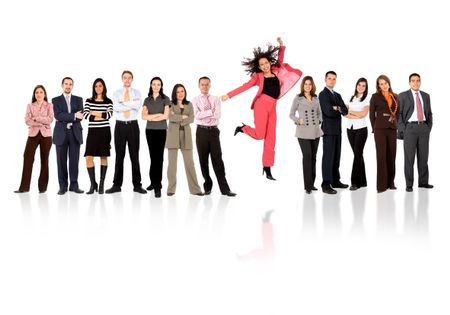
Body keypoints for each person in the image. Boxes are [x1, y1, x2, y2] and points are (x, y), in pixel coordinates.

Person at [221, 37, 302, 180]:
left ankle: (267, 168)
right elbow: (244, 87)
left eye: (266, 63)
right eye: (261, 64)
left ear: (269, 63)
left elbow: (281, 60)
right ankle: (243, 128)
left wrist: (281, 46)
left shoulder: (276, 70)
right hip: (261, 105)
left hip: (273, 107)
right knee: (260, 135)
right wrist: (229, 95)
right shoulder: (258, 77)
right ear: (258, 67)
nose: (265, 66)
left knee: (271, 138)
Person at [192, 76, 236, 197]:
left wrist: (205, 114)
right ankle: (207, 186)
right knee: (203, 160)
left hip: (213, 132)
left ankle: (225, 189)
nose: (205, 86)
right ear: (199, 86)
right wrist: (210, 112)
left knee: (218, 160)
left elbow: (218, 115)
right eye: (202, 84)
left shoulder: (216, 99)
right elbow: (197, 115)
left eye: (207, 84)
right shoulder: (195, 100)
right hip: (201, 132)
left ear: (210, 85)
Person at [105, 70, 146, 194]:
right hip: (120, 127)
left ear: (132, 79)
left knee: (135, 156)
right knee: (119, 156)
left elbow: (138, 106)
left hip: (133, 126)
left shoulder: (137, 92)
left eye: (129, 78)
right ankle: (116, 185)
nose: (127, 80)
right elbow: (116, 108)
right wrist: (130, 104)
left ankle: (137, 185)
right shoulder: (116, 93)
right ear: (122, 79)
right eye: (125, 78)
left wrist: (124, 103)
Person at [165, 84, 204, 196]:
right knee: (172, 164)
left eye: (182, 91)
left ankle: (195, 189)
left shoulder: (189, 104)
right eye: (178, 92)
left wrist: (177, 117)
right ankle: (171, 189)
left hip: (186, 136)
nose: (180, 94)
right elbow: (169, 117)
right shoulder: (170, 104)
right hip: (173, 135)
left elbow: (191, 118)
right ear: (174, 93)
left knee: (190, 163)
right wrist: (182, 117)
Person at [398, 73, 433, 192]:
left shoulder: (426, 96)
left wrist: (428, 127)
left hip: (423, 128)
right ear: (409, 82)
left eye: (418, 80)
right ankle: (409, 184)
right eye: (413, 81)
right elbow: (399, 114)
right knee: (409, 158)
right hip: (410, 129)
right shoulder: (402, 96)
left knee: (423, 157)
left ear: (420, 82)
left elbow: (429, 113)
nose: (415, 83)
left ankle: (423, 182)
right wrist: (403, 129)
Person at [15, 85, 54, 193]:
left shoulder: (49, 105)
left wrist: (36, 118)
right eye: (37, 92)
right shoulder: (30, 106)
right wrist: (42, 121)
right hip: (33, 134)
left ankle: (42, 188)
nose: (39, 94)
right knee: (27, 156)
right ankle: (24, 188)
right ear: (34, 94)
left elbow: (50, 119)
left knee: (44, 159)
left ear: (44, 94)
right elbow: (27, 120)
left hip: (46, 135)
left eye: (41, 92)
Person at [289, 76, 323, 194]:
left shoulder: (316, 98)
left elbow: (319, 113)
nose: (307, 86)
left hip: (315, 131)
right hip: (303, 132)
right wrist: (299, 120)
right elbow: (291, 114)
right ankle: (307, 186)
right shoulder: (298, 98)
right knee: (307, 156)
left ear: (312, 86)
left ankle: (312, 184)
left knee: (313, 157)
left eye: (309, 84)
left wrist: (319, 121)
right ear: (303, 85)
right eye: (305, 84)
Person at [53, 77, 84, 195]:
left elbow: (80, 116)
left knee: (74, 161)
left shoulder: (78, 99)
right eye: (66, 84)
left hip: (75, 133)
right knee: (61, 161)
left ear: (73, 86)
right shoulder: (55, 100)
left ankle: (74, 185)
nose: (68, 86)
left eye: (70, 84)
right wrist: (73, 116)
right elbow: (58, 115)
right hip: (61, 134)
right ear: (62, 85)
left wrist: (72, 116)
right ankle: (62, 186)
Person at [319, 71, 349, 194]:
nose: (331, 81)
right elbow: (328, 112)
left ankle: (335, 180)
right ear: (325, 80)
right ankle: (326, 183)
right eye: (329, 78)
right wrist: (338, 109)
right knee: (328, 156)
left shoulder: (337, 95)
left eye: (334, 79)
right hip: (328, 130)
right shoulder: (322, 94)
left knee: (336, 156)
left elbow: (345, 111)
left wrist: (336, 108)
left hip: (337, 130)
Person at [83, 78, 113, 194]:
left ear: (103, 87)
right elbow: (86, 115)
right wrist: (101, 114)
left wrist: (93, 113)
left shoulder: (108, 101)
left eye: (100, 86)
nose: (98, 88)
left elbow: (109, 115)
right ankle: (93, 184)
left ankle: (101, 184)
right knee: (88, 157)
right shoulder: (89, 100)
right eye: (96, 86)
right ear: (93, 88)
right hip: (92, 132)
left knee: (103, 156)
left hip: (105, 131)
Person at [141, 77, 170, 198]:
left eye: (158, 84)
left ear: (161, 86)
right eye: (154, 84)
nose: (156, 86)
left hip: (161, 131)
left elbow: (166, 116)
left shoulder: (165, 99)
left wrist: (151, 116)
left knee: (159, 158)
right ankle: (153, 182)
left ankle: (158, 186)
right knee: (153, 157)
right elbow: (143, 116)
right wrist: (158, 114)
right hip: (150, 131)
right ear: (151, 85)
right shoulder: (147, 100)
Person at [369, 75, 398, 193]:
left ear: (389, 83)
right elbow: (371, 115)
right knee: (381, 156)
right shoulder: (375, 97)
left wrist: (397, 125)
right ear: (378, 86)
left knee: (391, 155)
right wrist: (374, 128)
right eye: (381, 84)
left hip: (392, 129)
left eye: (385, 83)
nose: (384, 85)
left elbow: (398, 113)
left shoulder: (395, 96)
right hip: (379, 129)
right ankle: (381, 185)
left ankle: (391, 182)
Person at [346, 78, 370, 191]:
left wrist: (350, 113)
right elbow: (344, 113)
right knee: (358, 154)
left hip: (361, 129)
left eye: (363, 86)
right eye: (359, 85)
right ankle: (363, 180)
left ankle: (355, 182)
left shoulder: (366, 99)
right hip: (350, 129)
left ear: (366, 88)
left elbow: (363, 114)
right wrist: (353, 114)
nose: (361, 87)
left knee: (357, 154)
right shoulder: (351, 98)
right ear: (356, 85)